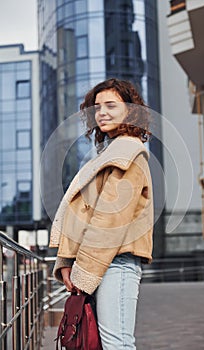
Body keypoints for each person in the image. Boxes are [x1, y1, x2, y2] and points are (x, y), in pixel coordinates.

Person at [49, 78, 154, 349]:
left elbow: (109, 220)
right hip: (101, 263)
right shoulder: (107, 153)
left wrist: (82, 273)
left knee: (116, 343)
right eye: (97, 107)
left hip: (114, 262)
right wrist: (66, 262)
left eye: (111, 105)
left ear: (130, 110)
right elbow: (83, 217)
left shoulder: (128, 153)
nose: (102, 113)